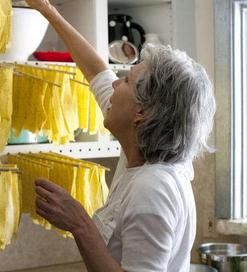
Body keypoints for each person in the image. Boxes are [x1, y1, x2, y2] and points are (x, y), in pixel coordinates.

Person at [25, 1, 216, 272]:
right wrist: (47, 10)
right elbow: (96, 71)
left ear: (142, 112)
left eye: (126, 81)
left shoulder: (153, 189)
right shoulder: (139, 150)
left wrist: (80, 224)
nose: (115, 82)